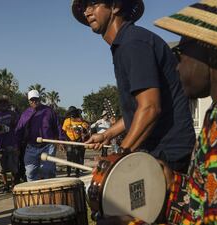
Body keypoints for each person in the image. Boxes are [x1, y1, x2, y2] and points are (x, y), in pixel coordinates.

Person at [72, 0, 196, 172]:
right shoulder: (125, 44)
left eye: (93, 3)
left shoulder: (133, 43)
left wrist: (119, 156)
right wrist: (107, 134)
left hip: (168, 155)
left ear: (115, 6)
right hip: (157, 152)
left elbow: (150, 109)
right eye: (84, 7)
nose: (87, 12)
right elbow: (139, 109)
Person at [152, 1, 217, 224]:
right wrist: (174, 185)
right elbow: (209, 201)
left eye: (180, 53)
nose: (177, 66)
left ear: (211, 50)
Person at [15, 90, 64, 181]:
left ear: (39, 99)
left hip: (48, 146)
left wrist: (61, 140)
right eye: (32, 100)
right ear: (29, 101)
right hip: (31, 146)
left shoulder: (49, 111)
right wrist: (17, 146)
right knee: (30, 172)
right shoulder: (25, 114)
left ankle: (50, 191)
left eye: (36, 99)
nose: (34, 101)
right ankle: (34, 193)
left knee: (47, 171)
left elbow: (57, 126)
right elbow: (19, 131)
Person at [0, 95, 20, 192]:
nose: (3, 105)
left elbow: (18, 127)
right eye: (0, 103)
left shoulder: (13, 114)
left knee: (13, 166)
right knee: (1, 167)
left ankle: (14, 184)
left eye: (4, 103)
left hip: (12, 142)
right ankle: (5, 185)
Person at [62, 106, 89, 177]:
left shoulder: (80, 121)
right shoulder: (67, 121)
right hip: (69, 141)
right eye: (71, 114)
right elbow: (64, 131)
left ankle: (77, 172)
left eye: (73, 113)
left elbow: (85, 130)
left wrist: (82, 132)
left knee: (77, 156)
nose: (72, 115)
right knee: (69, 157)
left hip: (78, 141)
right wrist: (67, 140)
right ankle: (68, 173)